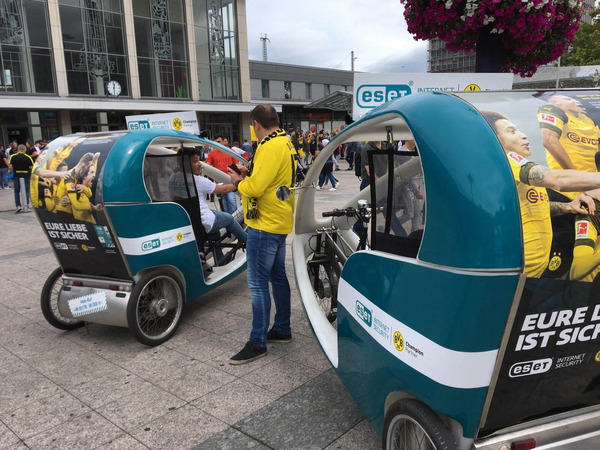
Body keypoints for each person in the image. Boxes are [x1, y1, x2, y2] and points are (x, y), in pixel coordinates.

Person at [481, 110, 600, 278]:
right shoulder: (508, 159)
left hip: (532, 272)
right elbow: (558, 179)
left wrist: (567, 207)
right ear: (496, 140)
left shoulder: (512, 172)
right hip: (518, 273)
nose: (523, 136)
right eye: (512, 131)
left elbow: (528, 208)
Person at [227, 104, 297, 364]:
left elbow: (255, 188)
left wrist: (238, 181)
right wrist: (248, 174)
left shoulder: (269, 146)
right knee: (278, 277)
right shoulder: (285, 142)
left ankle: (258, 342)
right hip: (278, 220)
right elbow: (271, 179)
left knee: (257, 284)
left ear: (256, 124)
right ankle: (282, 328)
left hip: (264, 224)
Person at [189, 150, 246, 262]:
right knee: (229, 218)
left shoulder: (174, 178)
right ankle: (248, 241)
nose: (200, 163)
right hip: (204, 220)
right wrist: (241, 182)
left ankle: (220, 260)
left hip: (192, 220)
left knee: (215, 234)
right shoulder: (199, 180)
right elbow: (224, 189)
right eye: (195, 161)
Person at [205, 140, 238, 214]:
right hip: (219, 181)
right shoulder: (212, 153)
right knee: (225, 202)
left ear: (224, 141)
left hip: (230, 180)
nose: (218, 143)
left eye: (219, 141)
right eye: (216, 141)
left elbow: (237, 164)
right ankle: (229, 220)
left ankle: (236, 219)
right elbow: (207, 165)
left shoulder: (231, 151)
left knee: (231, 199)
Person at [8, 144, 33, 212]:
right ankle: (26, 204)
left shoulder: (13, 156)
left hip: (17, 175)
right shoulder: (28, 157)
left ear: (18, 150)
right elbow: (31, 168)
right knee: (27, 191)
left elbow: (10, 167)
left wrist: (13, 171)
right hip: (26, 175)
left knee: (16, 191)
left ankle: (18, 206)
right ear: (25, 150)